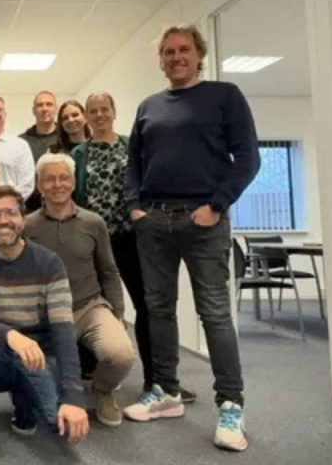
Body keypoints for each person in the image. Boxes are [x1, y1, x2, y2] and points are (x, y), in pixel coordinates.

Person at [123, 25, 260, 452]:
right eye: (168, 51)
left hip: (204, 221)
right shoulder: (149, 106)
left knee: (215, 313)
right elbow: (134, 162)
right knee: (158, 308)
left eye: (183, 49)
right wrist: (135, 207)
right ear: (160, 59)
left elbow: (249, 158)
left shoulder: (225, 96)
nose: (175, 56)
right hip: (155, 222)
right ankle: (165, 390)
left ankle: (231, 405)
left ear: (199, 54)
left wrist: (217, 205)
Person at [0, 186, 90, 460]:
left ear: (23, 218)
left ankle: (24, 403)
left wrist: (74, 396)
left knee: (58, 425)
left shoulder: (50, 263)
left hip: (36, 357)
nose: (3, 220)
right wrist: (11, 335)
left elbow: (63, 330)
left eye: (11, 212)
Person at [71, 92, 195, 404]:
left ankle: (158, 381)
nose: (99, 115)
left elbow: (148, 184)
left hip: (132, 239)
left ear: (114, 112)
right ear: (86, 116)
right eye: (93, 111)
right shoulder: (78, 154)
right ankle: (95, 374)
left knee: (147, 306)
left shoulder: (132, 147)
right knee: (89, 306)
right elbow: (73, 196)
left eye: (104, 109)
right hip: (93, 242)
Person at [24, 153, 137, 428]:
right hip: (46, 315)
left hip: (89, 308)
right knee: (39, 382)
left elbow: (109, 271)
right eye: (49, 179)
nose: (57, 184)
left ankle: (102, 390)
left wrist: (119, 314)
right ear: (39, 185)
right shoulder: (27, 226)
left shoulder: (93, 222)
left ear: (74, 182)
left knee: (121, 354)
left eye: (64, 178)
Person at [0, 94, 35, 201]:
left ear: (5, 114)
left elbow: (27, 185)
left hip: (11, 210)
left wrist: (7, 205)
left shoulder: (20, 146)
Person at [19, 90, 59, 161]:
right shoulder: (22, 141)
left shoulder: (66, 137)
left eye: (49, 104)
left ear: (56, 109)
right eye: (40, 105)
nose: (44, 109)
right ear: (33, 110)